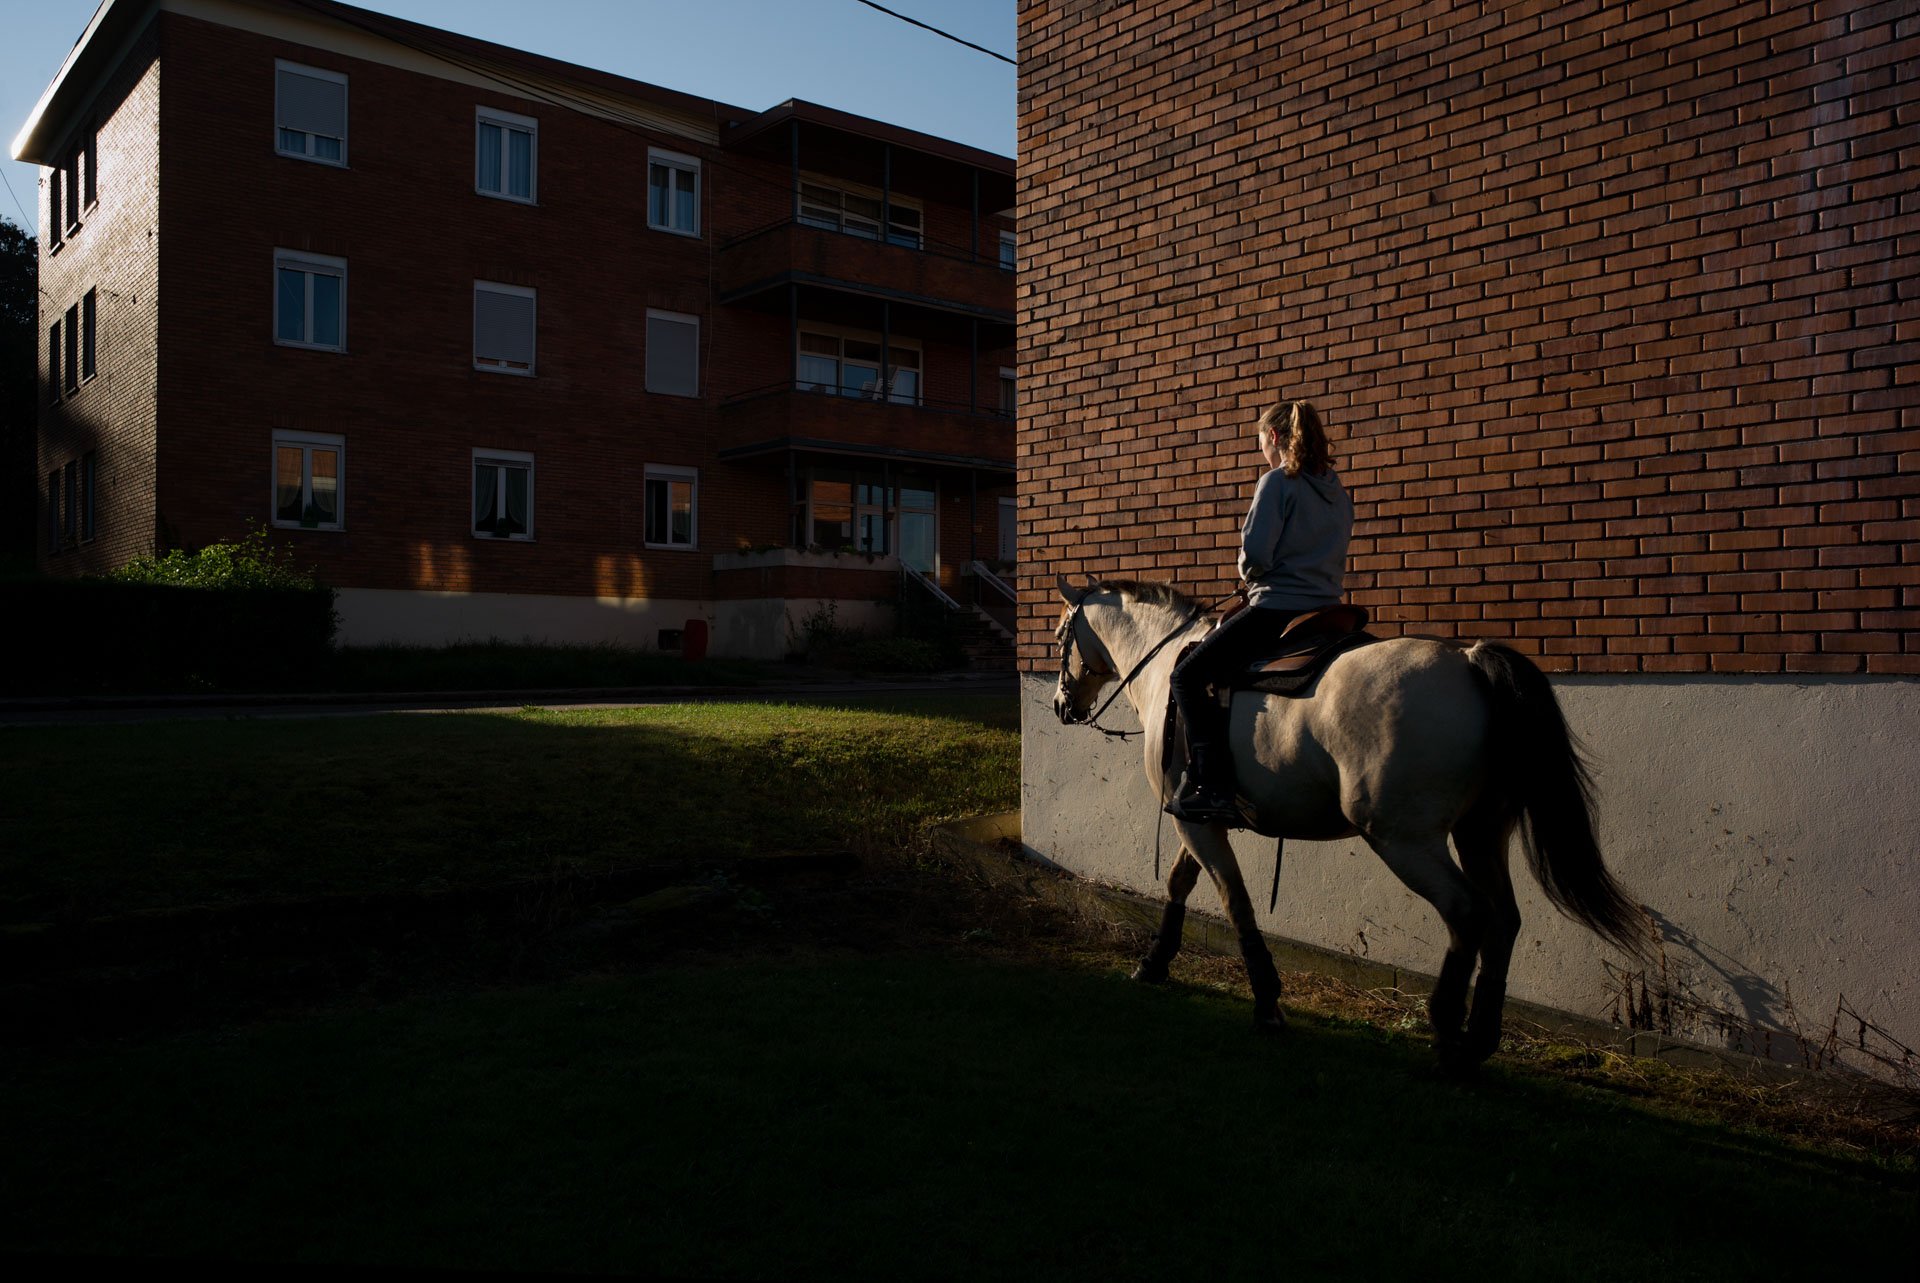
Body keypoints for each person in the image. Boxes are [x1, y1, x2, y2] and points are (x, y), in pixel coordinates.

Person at [1165, 400, 1354, 824]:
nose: (1264, 457)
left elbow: (1255, 558)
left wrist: (1247, 571)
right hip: (1328, 612)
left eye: (1262, 447)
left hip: (1276, 609)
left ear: (1273, 438)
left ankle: (1209, 785)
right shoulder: (1338, 494)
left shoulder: (1276, 483)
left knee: (1187, 676)